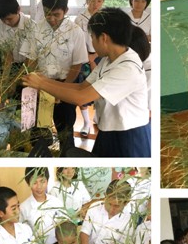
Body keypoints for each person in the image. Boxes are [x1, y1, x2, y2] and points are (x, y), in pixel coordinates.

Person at [22, 8, 151, 157]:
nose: (92, 42)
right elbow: (81, 87)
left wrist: (41, 84)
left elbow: (81, 97)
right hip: (108, 130)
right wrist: (44, 80)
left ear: (103, 38)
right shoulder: (109, 59)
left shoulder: (127, 68)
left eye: (92, 37)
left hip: (129, 136)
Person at [20, 0, 88, 153]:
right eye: (47, 13)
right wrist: (33, 82)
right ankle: (40, 157)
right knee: (38, 131)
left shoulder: (75, 32)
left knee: (65, 130)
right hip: (40, 85)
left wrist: (62, 90)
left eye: (56, 14)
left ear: (66, 11)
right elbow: (31, 60)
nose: (51, 18)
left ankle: (66, 159)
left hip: (65, 84)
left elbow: (77, 65)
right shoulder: (36, 29)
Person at [74, 0, 106, 137]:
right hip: (83, 57)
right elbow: (77, 42)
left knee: (100, 89)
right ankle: (86, 122)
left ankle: (98, 117)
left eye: (99, 1)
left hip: (102, 56)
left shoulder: (106, 18)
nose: (95, 4)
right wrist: (88, 58)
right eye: (92, 1)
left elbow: (108, 40)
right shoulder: (79, 19)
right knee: (84, 89)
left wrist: (95, 56)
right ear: (87, 1)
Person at [80, 179, 132, 244]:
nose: (111, 209)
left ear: (126, 202)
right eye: (109, 204)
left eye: (117, 206)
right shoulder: (95, 207)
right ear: (105, 196)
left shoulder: (128, 220)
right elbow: (85, 231)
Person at [20, 167, 66, 244]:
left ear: (47, 181)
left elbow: (65, 224)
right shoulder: (24, 208)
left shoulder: (56, 202)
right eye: (34, 182)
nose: (39, 187)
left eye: (42, 181)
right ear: (28, 183)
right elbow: (23, 233)